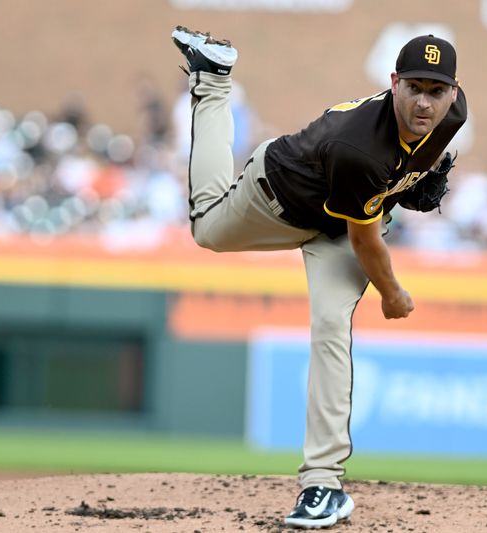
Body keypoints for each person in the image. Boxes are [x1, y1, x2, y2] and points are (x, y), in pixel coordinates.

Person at [171, 26, 467, 529]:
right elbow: (366, 242)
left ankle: (322, 485)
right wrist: (392, 293)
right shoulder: (361, 150)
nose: (425, 102)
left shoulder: (451, 116)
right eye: (414, 87)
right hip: (276, 199)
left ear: (453, 94)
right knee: (206, 229)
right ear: (392, 82)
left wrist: (411, 179)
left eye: (436, 91)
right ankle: (214, 80)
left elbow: (394, 184)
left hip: (343, 221)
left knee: (331, 327)